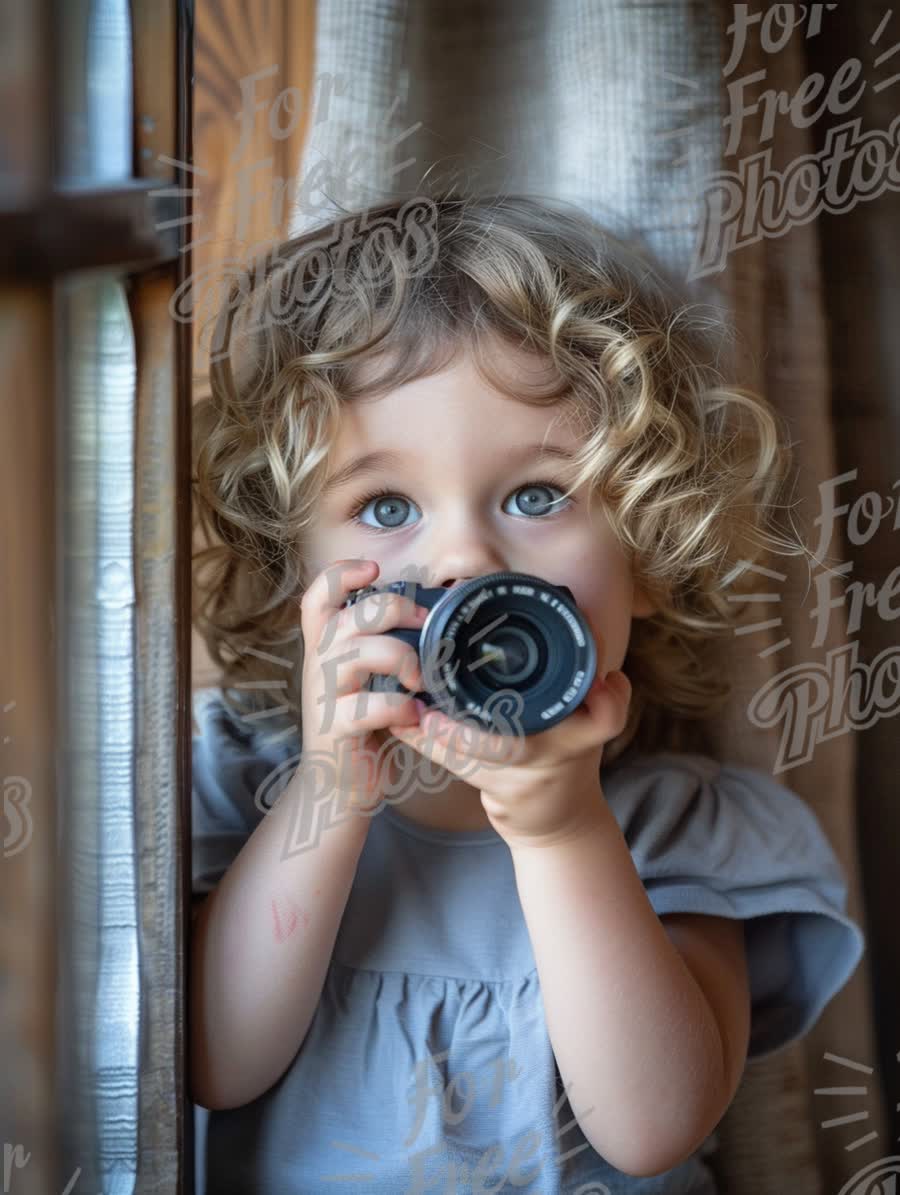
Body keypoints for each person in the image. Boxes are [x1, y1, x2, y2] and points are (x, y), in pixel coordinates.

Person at [189, 192, 865, 1193]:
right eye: (384, 506)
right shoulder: (241, 784)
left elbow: (652, 1126)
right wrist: (330, 795)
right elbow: (210, 1063)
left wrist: (562, 829)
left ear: (646, 547)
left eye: (539, 496)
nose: (464, 553)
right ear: (299, 573)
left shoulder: (675, 827)